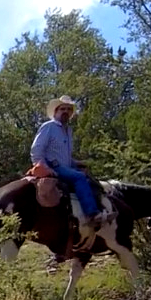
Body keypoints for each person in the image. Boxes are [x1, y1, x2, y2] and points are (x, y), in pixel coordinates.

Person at [30, 97, 109, 243]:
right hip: (53, 166)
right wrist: (43, 167)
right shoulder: (49, 127)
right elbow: (36, 149)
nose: (65, 112)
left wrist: (77, 162)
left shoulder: (68, 130)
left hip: (64, 166)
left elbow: (64, 156)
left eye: (68, 109)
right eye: (62, 109)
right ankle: (92, 214)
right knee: (79, 178)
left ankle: (96, 209)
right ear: (55, 112)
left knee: (90, 178)